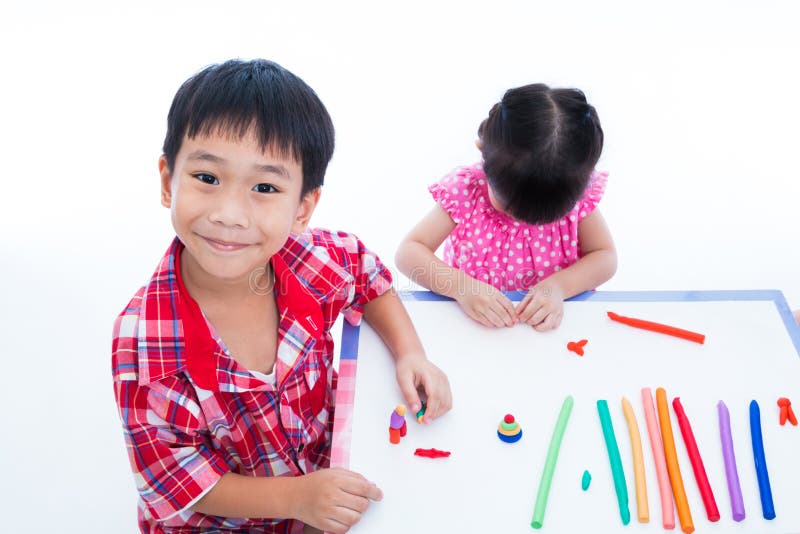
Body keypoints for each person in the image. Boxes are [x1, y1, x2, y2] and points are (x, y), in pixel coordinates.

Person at [111, 59, 452, 534]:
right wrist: (297, 498)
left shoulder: (311, 262)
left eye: (265, 187)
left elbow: (367, 275)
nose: (230, 214)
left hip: (326, 472)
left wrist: (410, 352)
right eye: (207, 178)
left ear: (303, 208)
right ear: (169, 181)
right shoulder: (144, 344)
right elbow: (179, 482)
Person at [396, 84, 617, 331]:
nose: (524, 221)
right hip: (473, 326)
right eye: (511, 208)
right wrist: (463, 288)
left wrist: (559, 286)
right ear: (483, 152)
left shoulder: (575, 192)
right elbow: (408, 253)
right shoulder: (466, 191)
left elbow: (605, 257)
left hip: (554, 330)